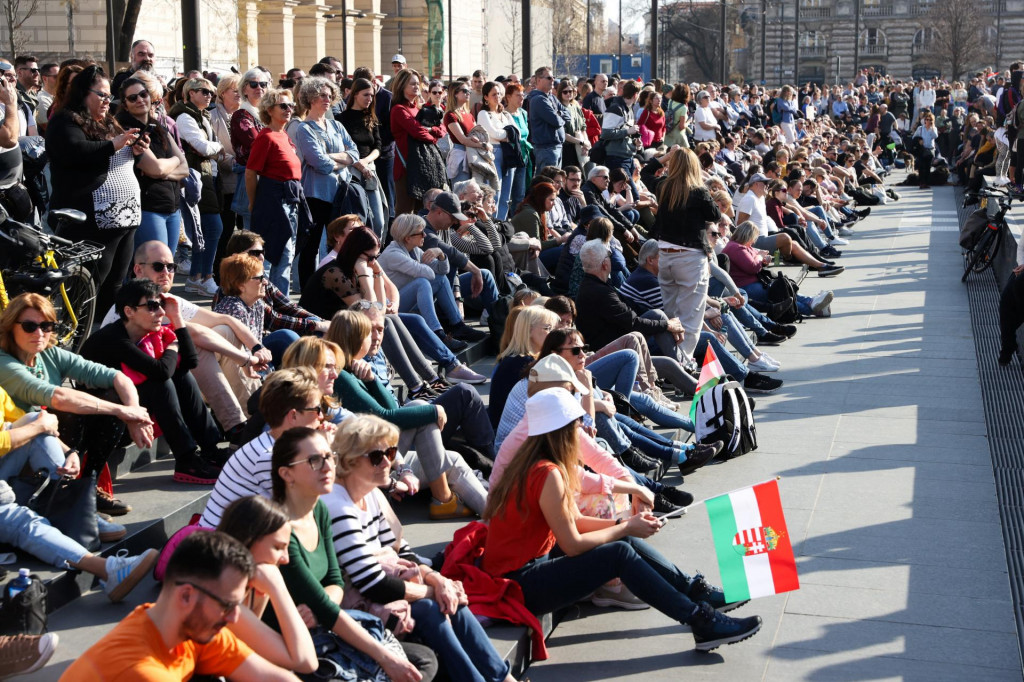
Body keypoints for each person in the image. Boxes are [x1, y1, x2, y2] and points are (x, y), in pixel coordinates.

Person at [482, 388, 763, 653]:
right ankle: (699, 620)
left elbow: (575, 521)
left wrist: (624, 527)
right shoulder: (547, 473)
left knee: (622, 539)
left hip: (523, 569)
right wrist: (626, 526)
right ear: (561, 430)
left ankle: (694, 592)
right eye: (576, 424)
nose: (581, 429)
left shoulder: (533, 460)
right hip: (518, 584)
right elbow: (572, 544)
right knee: (618, 553)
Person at [326, 415, 523, 682]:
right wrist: (432, 590)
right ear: (349, 461)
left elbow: (403, 553)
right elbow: (372, 584)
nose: (387, 463)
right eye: (376, 457)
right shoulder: (337, 506)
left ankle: (505, 679)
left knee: (451, 598)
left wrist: (439, 581)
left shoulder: (369, 492)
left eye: (390, 453)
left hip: (381, 588)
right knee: (433, 608)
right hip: (356, 606)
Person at [268, 427, 430, 682]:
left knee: (425, 658)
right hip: (291, 645)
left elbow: (335, 582)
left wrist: (324, 603)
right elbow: (325, 607)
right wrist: (385, 658)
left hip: (323, 626)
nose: (327, 467)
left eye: (329, 457)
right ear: (286, 474)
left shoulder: (318, 510)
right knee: (411, 658)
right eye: (314, 460)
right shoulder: (280, 530)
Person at [61, 531, 300, 681]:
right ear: (186, 596)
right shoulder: (140, 671)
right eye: (228, 605)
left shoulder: (191, 629)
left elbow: (276, 678)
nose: (234, 617)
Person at [0, 293, 154, 515]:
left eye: (46, 326)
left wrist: (135, 415)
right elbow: (57, 397)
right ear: (10, 327)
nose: (39, 333)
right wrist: (123, 411)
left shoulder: (49, 353)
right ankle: (66, 498)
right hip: (18, 448)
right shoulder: (4, 362)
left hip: (53, 440)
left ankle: (87, 489)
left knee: (113, 395)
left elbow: (117, 377)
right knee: (66, 411)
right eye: (29, 326)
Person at [328, 310, 488, 519]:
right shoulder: (341, 376)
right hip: (369, 462)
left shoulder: (357, 368)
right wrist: (433, 410)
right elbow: (385, 418)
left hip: (387, 454)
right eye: (369, 332)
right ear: (356, 337)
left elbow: (390, 409)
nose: (375, 337)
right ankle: (444, 499)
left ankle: (493, 515)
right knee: (421, 408)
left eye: (379, 330)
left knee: (454, 459)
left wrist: (372, 380)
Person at [81, 279, 224, 484]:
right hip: (103, 421)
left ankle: (210, 449)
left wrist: (177, 318)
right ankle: (186, 459)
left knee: (181, 375)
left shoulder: (149, 332)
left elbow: (190, 362)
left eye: (161, 305)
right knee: (160, 383)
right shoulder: (113, 338)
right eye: (152, 306)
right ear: (129, 311)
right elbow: (161, 372)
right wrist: (173, 346)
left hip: (130, 406)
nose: (161, 312)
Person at [45, 64, 143, 318]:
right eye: (101, 95)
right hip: (95, 219)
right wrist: (114, 144)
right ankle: (79, 334)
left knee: (115, 284)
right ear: (82, 93)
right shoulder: (65, 120)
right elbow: (76, 151)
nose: (107, 101)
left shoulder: (108, 121)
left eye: (109, 96)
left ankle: (106, 332)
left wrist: (135, 149)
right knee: (89, 285)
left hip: (125, 217)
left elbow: (116, 155)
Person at [197, 367, 328, 527]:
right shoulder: (268, 457)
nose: (321, 416)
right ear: (293, 415)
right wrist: (325, 449)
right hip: (226, 541)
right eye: (317, 409)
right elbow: (309, 509)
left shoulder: (275, 445)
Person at [216, 496, 318, 674]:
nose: (285, 559)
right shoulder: (223, 599)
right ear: (247, 540)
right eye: (278, 547)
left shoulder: (251, 584)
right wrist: (278, 588)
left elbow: (253, 651)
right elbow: (306, 662)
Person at [294, 76, 359, 286]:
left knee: (339, 244)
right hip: (316, 194)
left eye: (330, 96)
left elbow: (354, 153)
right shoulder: (304, 128)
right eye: (322, 95)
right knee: (311, 246)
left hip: (340, 193)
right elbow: (318, 163)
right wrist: (342, 160)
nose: (327, 99)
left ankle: (337, 286)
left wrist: (330, 157)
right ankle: (307, 290)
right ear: (310, 97)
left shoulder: (336, 125)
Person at [246, 87, 310, 297]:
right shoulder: (266, 137)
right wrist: (254, 203)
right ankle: (268, 302)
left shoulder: (283, 135)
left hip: (290, 199)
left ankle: (278, 302)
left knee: (286, 255)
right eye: (283, 106)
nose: (289, 109)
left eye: (291, 105)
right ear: (269, 109)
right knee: (276, 254)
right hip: (273, 199)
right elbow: (250, 172)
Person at [116, 77, 189, 251]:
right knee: (155, 263)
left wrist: (164, 171)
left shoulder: (158, 126)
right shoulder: (126, 130)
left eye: (143, 94)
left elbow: (185, 168)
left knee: (168, 263)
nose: (140, 100)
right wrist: (173, 162)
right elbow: (155, 168)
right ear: (125, 104)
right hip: (148, 208)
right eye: (133, 98)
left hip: (172, 207)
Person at [171, 77, 225, 296]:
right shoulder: (185, 116)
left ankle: (198, 276)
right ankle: (202, 277)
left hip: (206, 176)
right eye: (204, 91)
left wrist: (214, 150)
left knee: (207, 229)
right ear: (190, 93)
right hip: (195, 177)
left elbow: (206, 149)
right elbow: (202, 147)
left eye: (211, 92)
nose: (209, 95)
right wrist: (218, 146)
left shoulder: (201, 115)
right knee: (212, 227)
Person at [723, 221, 834, 318]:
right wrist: (760, 256)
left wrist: (763, 260)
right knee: (778, 293)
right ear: (747, 236)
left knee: (783, 289)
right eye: (753, 238)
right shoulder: (735, 248)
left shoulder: (742, 246)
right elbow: (752, 267)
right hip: (746, 286)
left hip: (754, 282)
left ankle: (811, 302)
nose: (753, 242)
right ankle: (814, 308)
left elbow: (755, 261)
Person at [213, 253, 301, 372]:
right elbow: (240, 356)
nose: (265, 282)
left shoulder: (257, 303)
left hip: (253, 356)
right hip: (236, 365)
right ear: (241, 285)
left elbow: (257, 342)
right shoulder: (234, 309)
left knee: (288, 336)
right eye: (259, 278)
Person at [489, 306, 560, 428]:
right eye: (548, 328)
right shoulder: (524, 363)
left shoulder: (513, 359)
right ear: (529, 331)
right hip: (516, 435)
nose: (553, 334)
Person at [390, 69, 447, 214]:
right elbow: (419, 132)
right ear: (402, 85)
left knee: (423, 211)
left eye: (417, 83)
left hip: (423, 167)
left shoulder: (419, 109)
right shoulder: (399, 109)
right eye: (412, 84)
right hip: (406, 168)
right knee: (405, 212)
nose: (416, 86)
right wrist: (432, 136)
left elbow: (442, 128)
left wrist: (431, 130)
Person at [338, 77, 387, 238]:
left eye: (372, 95)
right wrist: (359, 164)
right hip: (351, 171)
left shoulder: (371, 118)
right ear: (355, 94)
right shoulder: (341, 119)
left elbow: (378, 146)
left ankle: (374, 249)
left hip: (369, 170)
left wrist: (365, 162)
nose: (369, 99)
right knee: (357, 219)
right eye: (366, 95)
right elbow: (343, 148)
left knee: (378, 221)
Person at [229, 68, 271, 228]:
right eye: (253, 84)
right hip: (251, 176)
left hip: (271, 176)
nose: (259, 88)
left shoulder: (270, 113)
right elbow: (258, 145)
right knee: (253, 231)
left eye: (263, 84)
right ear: (244, 89)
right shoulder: (241, 115)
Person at [211, 73, 243, 273]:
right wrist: (238, 163)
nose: (239, 94)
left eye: (241, 90)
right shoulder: (212, 116)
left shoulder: (247, 114)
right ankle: (219, 273)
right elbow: (214, 149)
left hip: (246, 180)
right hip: (225, 183)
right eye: (235, 90)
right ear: (222, 93)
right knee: (225, 231)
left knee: (246, 233)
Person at [443, 79, 489, 185]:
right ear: (455, 94)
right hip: (460, 156)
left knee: (476, 190)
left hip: (474, 155)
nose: (468, 93)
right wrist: (483, 145)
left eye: (469, 91)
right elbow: (463, 140)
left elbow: (477, 133)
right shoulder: (450, 115)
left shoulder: (469, 114)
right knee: (462, 191)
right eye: (464, 91)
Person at [526, 66, 569, 170]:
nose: (552, 80)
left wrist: (558, 113)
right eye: (549, 78)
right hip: (546, 149)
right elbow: (556, 121)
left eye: (553, 77)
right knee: (547, 179)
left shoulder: (552, 97)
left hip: (556, 147)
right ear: (539, 80)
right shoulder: (538, 99)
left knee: (555, 179)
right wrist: (560, 115)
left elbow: (568, 114)